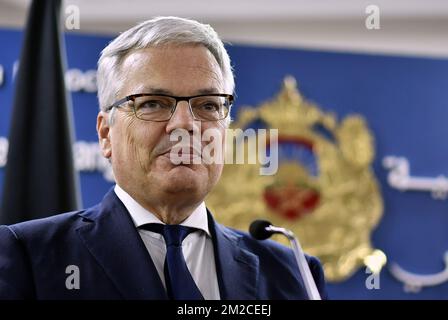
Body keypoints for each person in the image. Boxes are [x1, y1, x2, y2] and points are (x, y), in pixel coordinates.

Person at [0, 16, 327, 300]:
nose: (186, 124)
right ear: (105, 134)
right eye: (153, 103)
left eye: (208, 105)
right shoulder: (29, 256)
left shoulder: (294, 274)